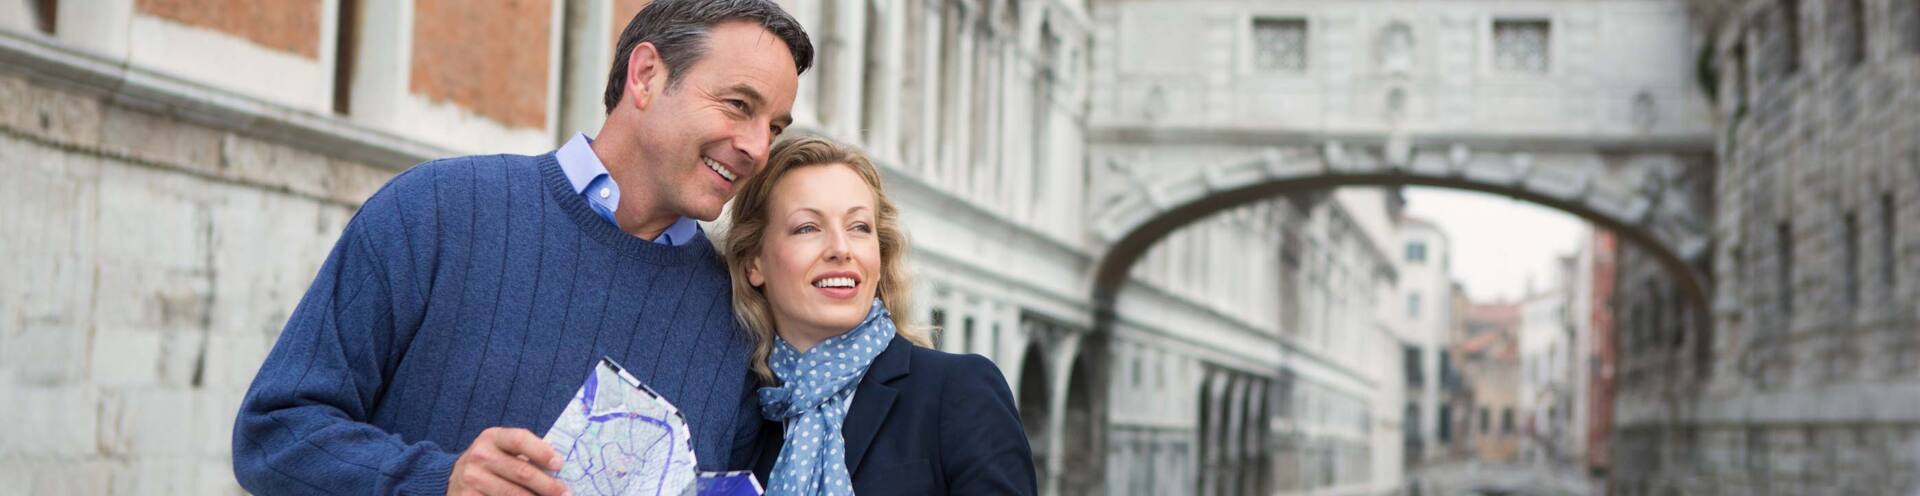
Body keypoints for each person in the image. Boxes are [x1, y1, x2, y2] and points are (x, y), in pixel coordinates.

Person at [230, 1, 812, 494]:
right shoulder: (435, 210)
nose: (757, 149)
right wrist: (440, 480)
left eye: (775, 127)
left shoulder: (737, 316)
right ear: (645, 76)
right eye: (739, 105)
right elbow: (273, 433)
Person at [724, 136, 1037, 495]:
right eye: (807, 227)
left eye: (859, 227)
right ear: (754, 262)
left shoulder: (959, 390)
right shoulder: (744, 417)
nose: (841, 249)